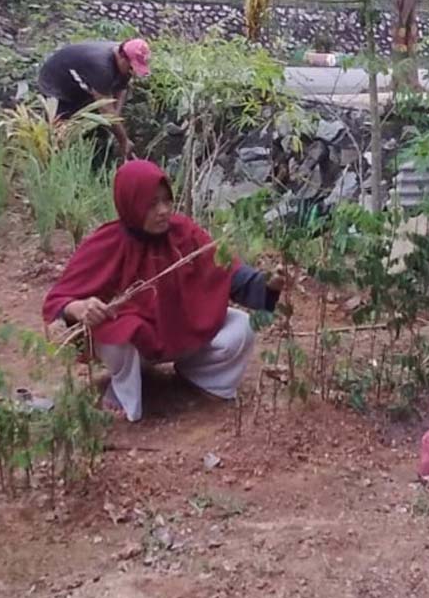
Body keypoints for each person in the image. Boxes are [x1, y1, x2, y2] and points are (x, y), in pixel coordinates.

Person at [42, 160, 281, 421]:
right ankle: (125, 393)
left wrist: (268, 283)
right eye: (152, 204)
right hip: (137, 346)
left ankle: (203, 378)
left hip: (182, 333)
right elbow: (59, 300)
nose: (164, 211)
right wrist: (80, 307)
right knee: (119, 330)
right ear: (130, 202)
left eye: (167, 201)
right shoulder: (106, 243)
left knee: (242, 326)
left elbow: (229, 273)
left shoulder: (185, 233)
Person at [37, 38, 151, 161]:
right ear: (122, 58)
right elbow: (106, 111)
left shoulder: (124, 57)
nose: (133, 72)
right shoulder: (101, 67)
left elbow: (121, 88)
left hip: (82, 80)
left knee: (97, 125)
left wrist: (116, 115)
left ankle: (96, 155)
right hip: (57, 83)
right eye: (131, 68)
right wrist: (123, 140)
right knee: (62, 131)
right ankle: (51, 160)